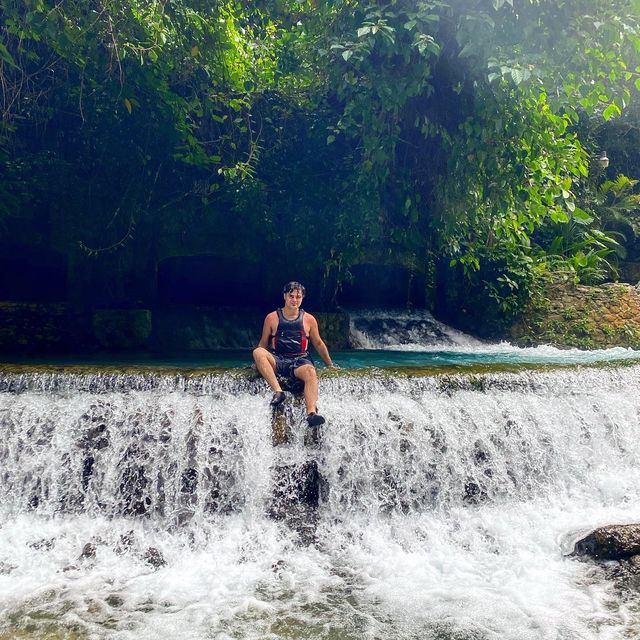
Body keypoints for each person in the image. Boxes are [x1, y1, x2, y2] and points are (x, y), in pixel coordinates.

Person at [253, 281, 335, 427]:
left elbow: (318, 343)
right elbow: (263, 343)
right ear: (284, 296)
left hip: (299, 361)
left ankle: (311, 413)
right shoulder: (272, 318)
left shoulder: (309, 319)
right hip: (277, 359)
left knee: (311, 371)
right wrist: (258, 364)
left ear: (302, 298)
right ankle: (278, 392)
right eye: (291, 296)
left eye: (298, 297)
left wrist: (330, 365)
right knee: (258, 352)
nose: (294, 300)